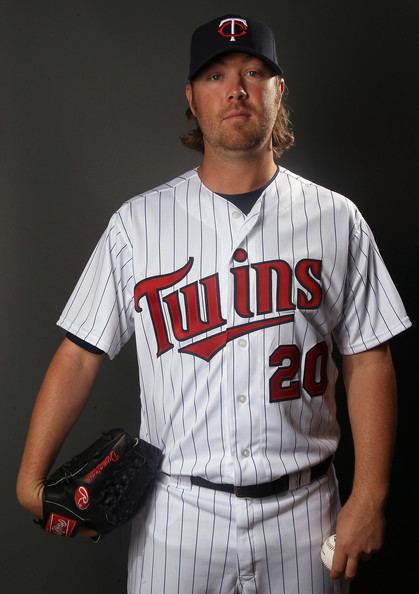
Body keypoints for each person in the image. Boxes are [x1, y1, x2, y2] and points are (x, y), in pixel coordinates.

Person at [16, 13, 411, 594]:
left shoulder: (338, 219)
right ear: (191, 98)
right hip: (178, 514)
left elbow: (369, 358)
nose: (236, 89)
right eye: (215, 75)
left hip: (305, 513)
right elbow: (79, 355)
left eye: (255, 71)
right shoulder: (137, 224)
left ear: (280, 90)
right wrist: (30, 480)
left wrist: (370, 495)